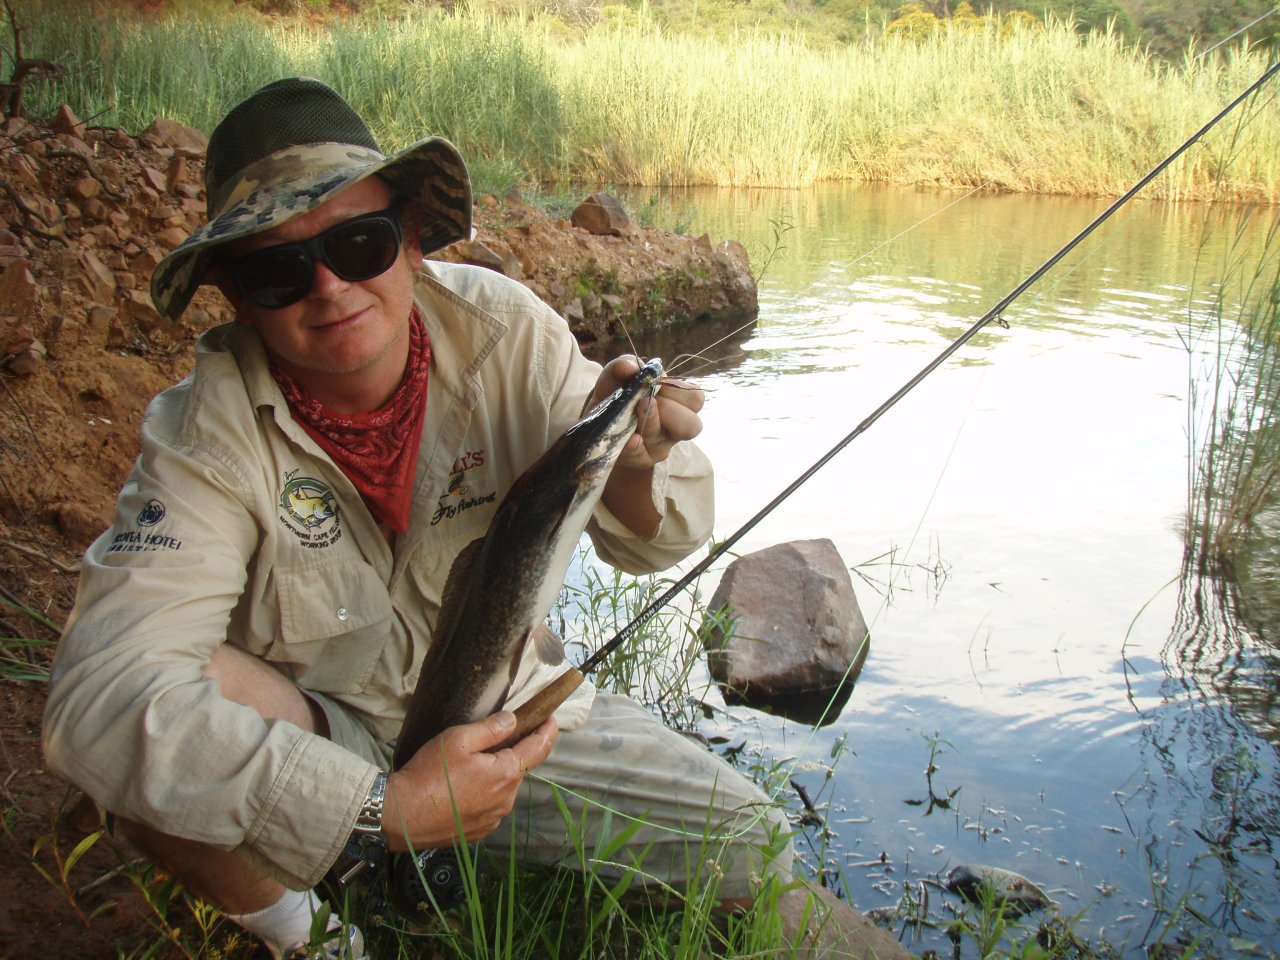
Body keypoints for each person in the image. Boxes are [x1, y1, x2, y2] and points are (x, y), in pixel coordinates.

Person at [40, 77, 794, 959]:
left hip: (507, 720)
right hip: (329, 734)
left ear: (411, 243)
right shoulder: (203, 435)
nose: (327, 287)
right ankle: (317, 936)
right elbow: (94, 700)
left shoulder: (509, 335)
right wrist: (382, 808)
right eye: (278, 268)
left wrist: (636, 458)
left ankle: (436, 854)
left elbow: (658, 542)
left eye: (358, 243)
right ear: (237, 297)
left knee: (753, 843)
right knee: (148, 729)